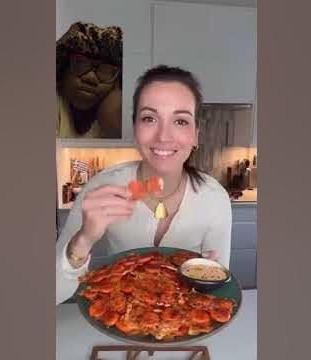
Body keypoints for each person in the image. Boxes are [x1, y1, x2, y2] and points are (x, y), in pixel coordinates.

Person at [56, 65, 232, 304]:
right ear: (135, 129)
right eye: (149, 118)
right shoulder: (101, 187)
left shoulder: (215, 198)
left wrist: (209, 279)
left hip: (185, 327)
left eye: (180, 121)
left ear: (196, 136)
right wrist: (83, 239)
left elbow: (217, 291)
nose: (163, 136)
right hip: (116, 320)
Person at [56, 21, 123, 138]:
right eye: (81, 64)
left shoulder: (112, 114)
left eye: (105, 71)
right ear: (62, 69)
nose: (91, 78)